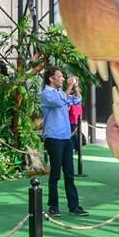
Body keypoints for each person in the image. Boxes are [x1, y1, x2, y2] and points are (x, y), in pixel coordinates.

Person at [40, 67, 87, 217]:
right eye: (59, 76)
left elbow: (77, 100)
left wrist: (76, 88)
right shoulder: (47, 94)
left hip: (66, 138)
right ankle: (53, 206)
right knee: (55, 173)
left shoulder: (61, 92)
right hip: (53, 138)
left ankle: (74, 206)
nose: (63, 79)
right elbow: (60, 102)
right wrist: (69, 87)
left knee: (69, 173)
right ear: (51, 79)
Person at [68, 82, 83, 151]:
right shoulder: (68, 97)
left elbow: (78, 98)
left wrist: (75, 86)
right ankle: (73, 147)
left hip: (76, 119)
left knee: (76, 135)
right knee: (72, 134)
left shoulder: (77, 97)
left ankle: (76, 148)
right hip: (70, 119)